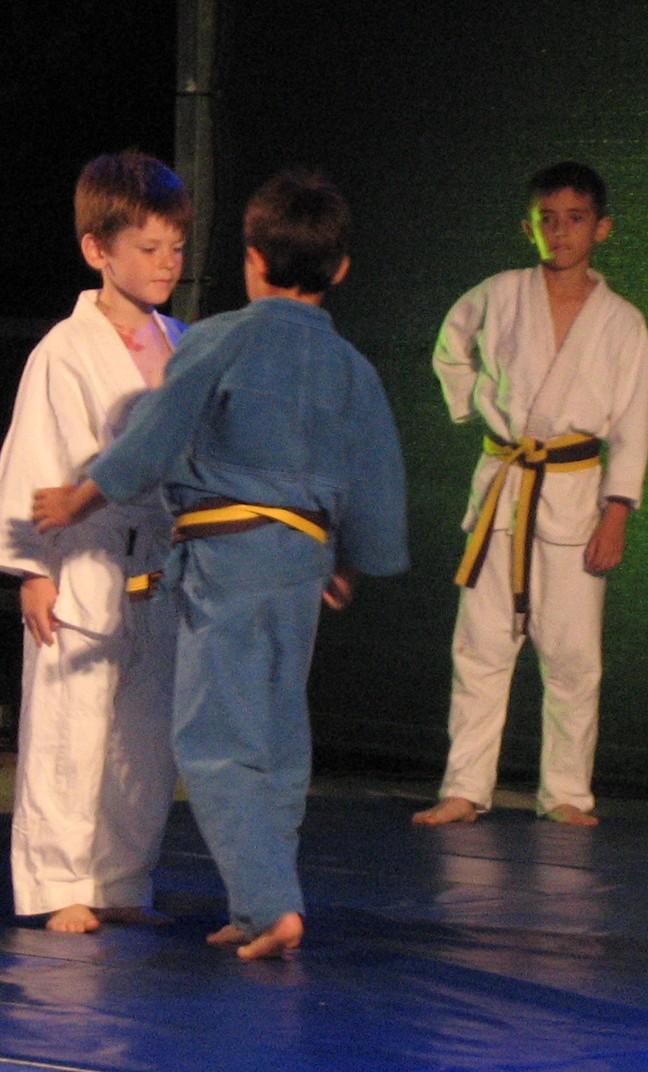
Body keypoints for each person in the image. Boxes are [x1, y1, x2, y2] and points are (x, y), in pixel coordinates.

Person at [33, 169, 409, 958]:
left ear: (252, 258)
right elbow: (376, 477)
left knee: (214, 736)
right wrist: (352, 562)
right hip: (302, 564)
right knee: (277, 735)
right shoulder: (353, 367)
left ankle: (270, 906)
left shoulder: (220, 340)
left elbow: (152, 438)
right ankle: (259, 900)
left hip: (228, 559)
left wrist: (79, 499)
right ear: (340, 269)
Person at [0, 150, 190, 934]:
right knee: (70, 729)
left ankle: (121, 878)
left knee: (145, 739)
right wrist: (32, 570)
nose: (166, 263)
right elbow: (36, 460)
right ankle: (59, 880)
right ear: (98, 249)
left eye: (176, 247)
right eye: (148, 247)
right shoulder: (62, 351)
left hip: (161, 565)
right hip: (81, 562)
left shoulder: (185, 343)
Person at [415, 161, 648, 828]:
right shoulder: (498, 293)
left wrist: (617, 513)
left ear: (602, 228)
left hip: (577, 495)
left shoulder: (622, 322)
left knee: (573, 655)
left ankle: (568, 792)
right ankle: (465, 787)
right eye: (547, 219)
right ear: (529, 228)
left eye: (575, 219)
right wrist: (477, 405)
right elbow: (449, 348)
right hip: (504, 485)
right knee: (481, 646)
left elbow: (634, 424)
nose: (561, 231)